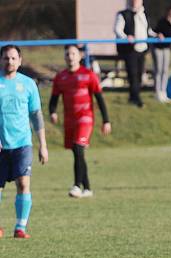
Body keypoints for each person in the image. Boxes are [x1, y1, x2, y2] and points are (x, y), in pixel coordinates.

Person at [49, 45, 112, 199]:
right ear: (64, 57)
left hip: (85, 118)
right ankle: (88, 188)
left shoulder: (88, 75)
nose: (70, 56)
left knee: (78, 148)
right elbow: (54, 98)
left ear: (79, 56)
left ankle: (77, 185)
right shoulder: (61, 77)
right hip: (69, 119)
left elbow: (99, 98)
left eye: (73, 53)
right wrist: (52, 111)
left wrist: (106, 120)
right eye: (67, 54)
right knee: (78, 153)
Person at [0, 45, 48, 239]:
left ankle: (20, 228)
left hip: (22, 143)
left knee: (23, 183)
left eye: (13, 58)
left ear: (19, 61)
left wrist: (43, 145)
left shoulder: (28, 84)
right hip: (1, 144)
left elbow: (36, 116)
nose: (9, 62)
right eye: (6, 58)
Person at [114, 0, 156, 107]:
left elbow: (148, 30)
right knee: (132, 74)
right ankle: (136, 98)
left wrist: (157, 35)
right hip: (129, 49)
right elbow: (117, 30)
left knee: (139, 74)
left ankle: (133, 97)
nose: (135, 2)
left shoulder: (144, 14)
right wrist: (126, 37)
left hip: (142, 49)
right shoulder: (123, 14)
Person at [152, 5, 171, 103]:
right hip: (158, 48)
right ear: (169, 13)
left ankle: (163, 92)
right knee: (159, 70)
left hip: (167, 49)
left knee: (165, 70)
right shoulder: (162, 22)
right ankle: (157, 93)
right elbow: (156, 32)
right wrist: (158, 35)